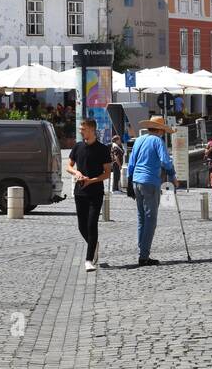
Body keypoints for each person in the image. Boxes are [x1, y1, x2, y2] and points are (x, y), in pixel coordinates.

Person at [124, 116, 176, 267]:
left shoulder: (139, 140)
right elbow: (166, 161)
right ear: (160, 129)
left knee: (141, 218)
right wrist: (172, 175)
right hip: (150, 182)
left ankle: (142, 250)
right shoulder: (158, 141)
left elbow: (131, 162)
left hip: (136, 181)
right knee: (151, 220)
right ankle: (144, 256)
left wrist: (129, 182)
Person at [67, 119, 113, 272]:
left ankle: (88, 260)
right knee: (82, 226)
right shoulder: (78, 146)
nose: (81, 131)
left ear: (92, 130)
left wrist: (91, 180)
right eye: (81, 128)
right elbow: (69, 166)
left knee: (92, 224)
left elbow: (107, 173)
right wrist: (77, 172)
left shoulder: (102, 149)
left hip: (95, 192)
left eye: (84, 128)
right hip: (80, 191)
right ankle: (93, 245)